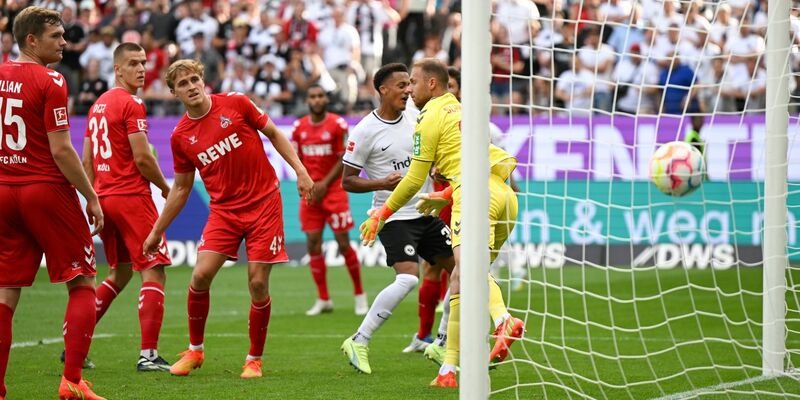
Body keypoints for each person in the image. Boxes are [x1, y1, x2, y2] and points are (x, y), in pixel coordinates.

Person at [358, 58, 524, 387]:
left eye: (414, 83)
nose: (410, 90)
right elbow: (474, 162)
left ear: (431, 84)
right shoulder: (465, 109)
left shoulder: (428, 116)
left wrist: (382, 212)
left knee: (470, 271)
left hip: (475, 198)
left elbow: (413, 179)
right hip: (504, 195)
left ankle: (503, 320)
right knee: (462, 278)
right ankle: (448, 368)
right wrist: (445, 193)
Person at [142, 59, 313, 379]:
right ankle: (195, 351)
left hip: (264, 204)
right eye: (183, 84)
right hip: (224, 212)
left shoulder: (235, 103)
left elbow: (274, 133)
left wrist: (300, 171)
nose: (191, 86)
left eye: (195, 79)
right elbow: (180, 188)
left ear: (203, 80)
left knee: (258, 282)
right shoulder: (180, 136)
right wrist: (156, 231)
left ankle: (254, 359)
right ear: (173, 93)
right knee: (200, 276)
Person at [0, 7, 105, 399]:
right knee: (82, 282)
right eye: (56, 36)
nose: (64, 42)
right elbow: (61, 150)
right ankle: (72, 382)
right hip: (45, 190)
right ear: (31, 40)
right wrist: (91, 195)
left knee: (6, 292)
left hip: (4, 191)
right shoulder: (51, 79)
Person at [339, 63, 455, 374]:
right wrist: (381, 183)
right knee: (408, 278)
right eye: (402, 85)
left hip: (425, 210)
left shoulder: (419, 116)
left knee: (463, 274)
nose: (408, 90)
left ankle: (441, 343)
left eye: (409, 84)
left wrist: (435, 169)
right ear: (383, 90)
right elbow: (347, 180)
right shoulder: (365, 130)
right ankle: (359, 340)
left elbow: (425, 156)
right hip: (392, 217)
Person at [81, 42, 173, 372]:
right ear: (117, 69)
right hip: (131, 197)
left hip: (105, 198)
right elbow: (143, 157)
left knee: (119, 272)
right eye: (132, 63)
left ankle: (75, 345)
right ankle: (148, 355)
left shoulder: (97, 107)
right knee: (154, 269)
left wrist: (93, 198)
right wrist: (164, 186)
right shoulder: (131, 103)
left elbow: (87, 160)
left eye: (143, 63)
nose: (140, 69)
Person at [291, 84, 368, 316]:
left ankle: (359, 295)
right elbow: (297, 159)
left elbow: (344, 158)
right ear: (308, 101)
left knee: (343, 243)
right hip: (311, 193)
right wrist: (305, 181)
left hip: (333, 191)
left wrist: (324, 183)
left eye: (320, 96)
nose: (316, 100)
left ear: (326, 99)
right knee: (312, 243)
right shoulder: (298, 128)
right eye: (312, 96)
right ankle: (323, 298)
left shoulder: (337, 125)